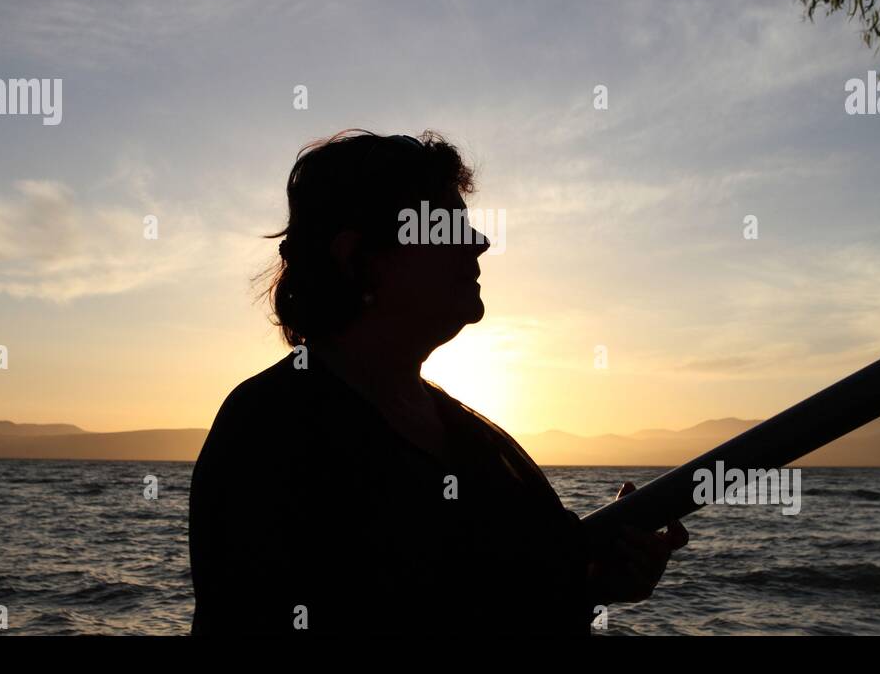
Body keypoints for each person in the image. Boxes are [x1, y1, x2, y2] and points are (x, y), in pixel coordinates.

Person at [188, 129, 688, 635]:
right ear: (359, 257)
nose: (480, 243)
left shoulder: (469, 432)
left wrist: (594, 580)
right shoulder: (271, 430)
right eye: (447, 226)